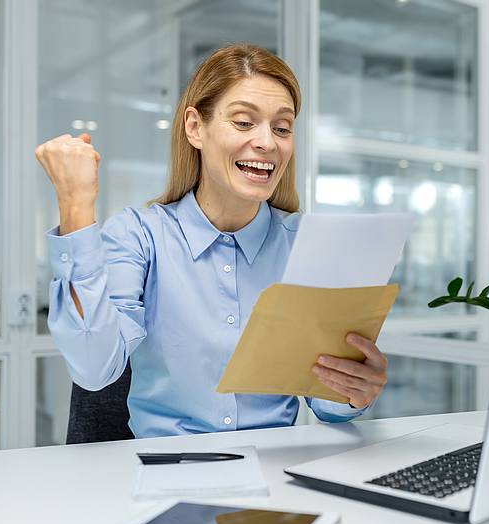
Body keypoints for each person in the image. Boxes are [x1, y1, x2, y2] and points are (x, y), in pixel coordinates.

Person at [35, 43, 388, 438]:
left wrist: (355, 390)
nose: (267, 142)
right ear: (194, 127)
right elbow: (94, 368)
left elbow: (328, 404)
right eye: (243, 122)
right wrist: (75, 205)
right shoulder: (139, 236)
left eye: (282, 127)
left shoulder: (307, 246)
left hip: (273, 471)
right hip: (166, 471)